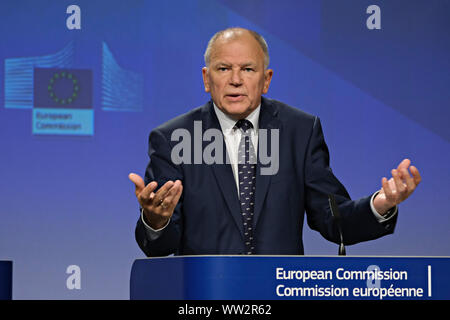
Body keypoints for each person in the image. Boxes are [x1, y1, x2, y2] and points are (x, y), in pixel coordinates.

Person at [129, 27, 421, 256]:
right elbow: (158, 246)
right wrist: (156, 220)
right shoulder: (173, 139)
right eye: (223, 69)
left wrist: (380, 204)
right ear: (206, 79)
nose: (235, 80)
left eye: (247, 69)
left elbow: (332, 218)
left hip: (280, 291)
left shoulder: (300, 131)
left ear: (266, 79)